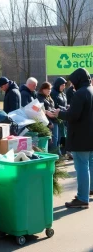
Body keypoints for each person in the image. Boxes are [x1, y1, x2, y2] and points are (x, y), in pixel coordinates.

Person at [54, 68, 93, 208]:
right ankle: (89, 190)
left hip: (81, 137)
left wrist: (59, 113)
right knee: (89, 164)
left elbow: (73, 116)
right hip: (90, 135)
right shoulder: (90, 90)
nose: (72, 84)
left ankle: (83, 198)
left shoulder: (80, 93)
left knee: (82, 166)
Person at [37, 82, 59, 154]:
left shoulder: (48, 97)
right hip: (47, 122)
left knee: (55, 139)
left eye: (50, 89)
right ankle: (51, 156)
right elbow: (38, 110)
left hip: (54, 120)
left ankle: (55, 156)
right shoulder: (39, 97)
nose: (49, 91)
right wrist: (47, 113)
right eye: (47, 89)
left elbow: (52, 107)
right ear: (43, 89)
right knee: (51, 140)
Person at [51, 77, 67, 156]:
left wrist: (67, 107)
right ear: (58, 85)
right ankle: (58, 153)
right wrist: (64, 108)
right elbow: (54, 105)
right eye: (62, 85)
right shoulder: (53, 93)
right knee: (58, 137)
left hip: (63, 117)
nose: (64, 87)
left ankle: (62, 152)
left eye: (64, 85)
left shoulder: (62, 93)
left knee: (63, 135)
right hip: (57, 117)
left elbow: (64, 103)